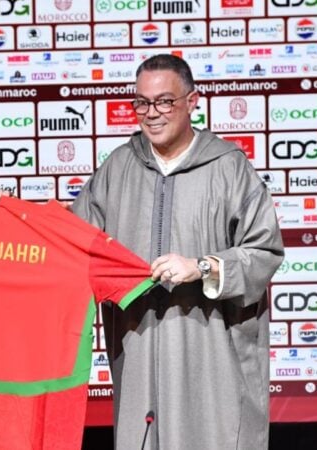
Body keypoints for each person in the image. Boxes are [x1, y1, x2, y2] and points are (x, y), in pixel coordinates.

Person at [72, 54, 284, 449]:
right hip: (139, 348)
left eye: (165, 101)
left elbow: (264, 250)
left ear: (192, 101)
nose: (152, 113)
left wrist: (203, 267)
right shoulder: (118, 168)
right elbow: (74, 241)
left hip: (211, 350)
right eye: (142, 103)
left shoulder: (228, 167)